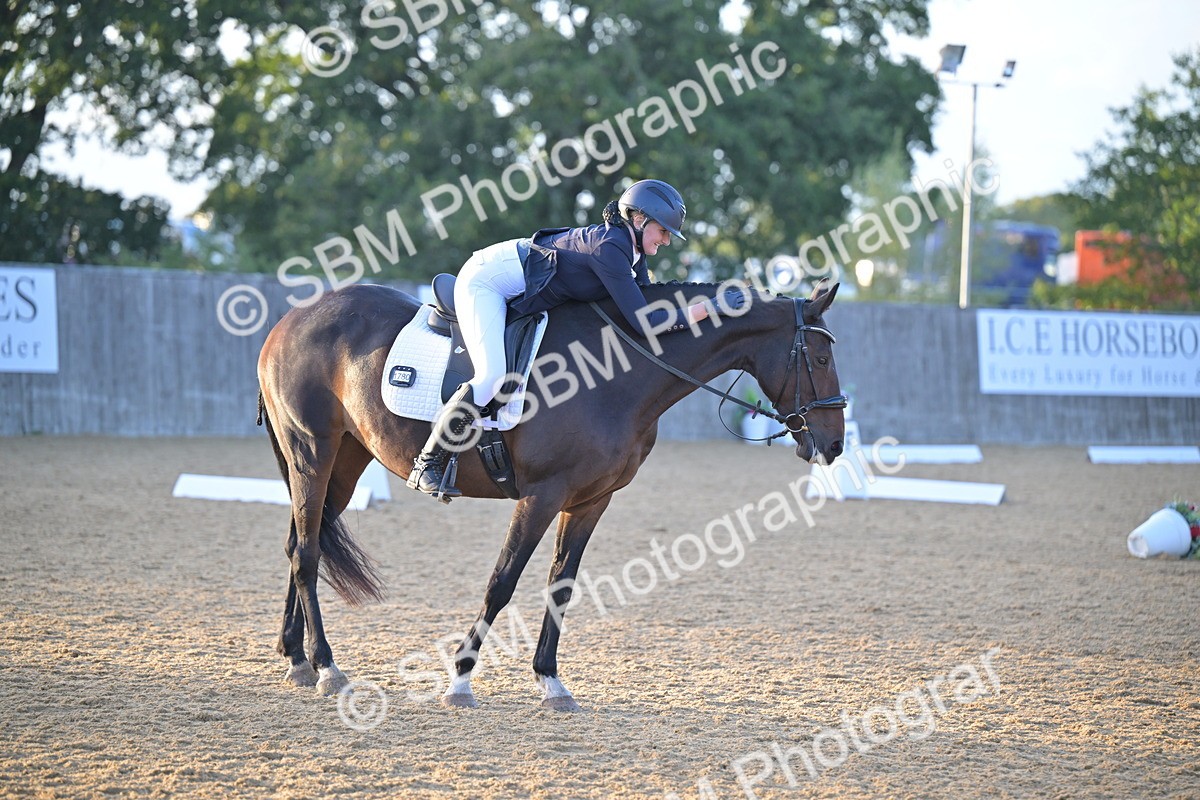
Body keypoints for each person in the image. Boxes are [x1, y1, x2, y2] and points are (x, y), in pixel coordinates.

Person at [407, 179, 718, 500]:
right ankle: (429, 462)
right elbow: (644, 322)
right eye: (664, 231)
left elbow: (643, 302)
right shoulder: (611, 248)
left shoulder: (634, 254)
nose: (667, 240)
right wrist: (705, 310)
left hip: (522, 280)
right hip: (486, 281)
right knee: (492, 375)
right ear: (639, 220)